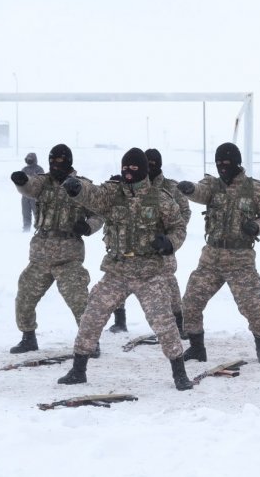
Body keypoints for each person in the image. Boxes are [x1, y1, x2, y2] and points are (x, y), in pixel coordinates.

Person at [56, 148, 192, 390]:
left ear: (144, 171)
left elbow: (178, 228)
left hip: (149, 272)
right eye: (125, 168)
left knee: (164, 324)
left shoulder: (160, 199)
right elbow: (93, 196)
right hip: (117, 271)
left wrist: (169, 243)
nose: (128, 173)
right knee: (92, 316)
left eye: (133, 168)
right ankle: (78, 370)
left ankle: (179, 373)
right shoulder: (113, 194)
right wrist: (77, 188)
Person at [177, 142, 260, 365]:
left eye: (227, 163)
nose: (223, 167)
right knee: (192, 300)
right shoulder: (212, 185)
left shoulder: (255, 189)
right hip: (211, 257)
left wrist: (257, 226)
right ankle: (196, 348)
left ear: (237, 163)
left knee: (252, 305)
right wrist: (189, 189)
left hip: (240, 258)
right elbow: (200, 191)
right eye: (219, 163)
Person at [10, 144, 101, 356]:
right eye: (52, 161)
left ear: (68, 162)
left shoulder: (82, 186)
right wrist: (21, 182)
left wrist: (88, 227)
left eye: (60, 162)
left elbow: (98, 214)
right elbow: (30, 188)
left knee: (79, 301)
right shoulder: (44, 181)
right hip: (40, 256)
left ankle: (91, 342)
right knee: (24, 296)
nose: (55, 166)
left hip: (69, 256)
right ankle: (28, 338)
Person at [108, 148, 191, 338]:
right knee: (117, 281)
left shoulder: (171, 187)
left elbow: (184, 214)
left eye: (153, 164)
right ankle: (119, 322)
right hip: (130, 248)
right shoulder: (129, 185)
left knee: (169, 284)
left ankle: (179, 323)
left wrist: (168, 238)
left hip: (162, 248)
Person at [20, 152, 45, 232]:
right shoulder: (24, 169)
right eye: (28, 159)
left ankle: (40, 228)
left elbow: (42, 181)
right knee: (25, 213)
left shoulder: (39, 169)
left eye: (31, 159)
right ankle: (26, 228)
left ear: (34, 159)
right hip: (25, 196)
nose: (29, 160)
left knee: (37, 213)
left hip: (35, 196)